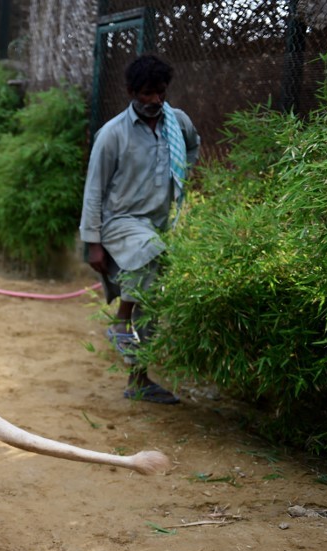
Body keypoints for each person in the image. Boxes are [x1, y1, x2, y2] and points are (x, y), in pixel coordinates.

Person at [80, 54, 199, 405]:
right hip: (119, 221)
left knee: (151, 298)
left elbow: (193, 146)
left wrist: (182, 172)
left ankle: (139, 377)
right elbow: (94, 189)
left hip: (157, 223)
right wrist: (93, 243)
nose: (155, 101)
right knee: (151, 251)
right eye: (147, 94)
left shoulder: (177, 123)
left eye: (160, 93)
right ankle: (120, 320)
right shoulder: (113, 134)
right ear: (132, 92)